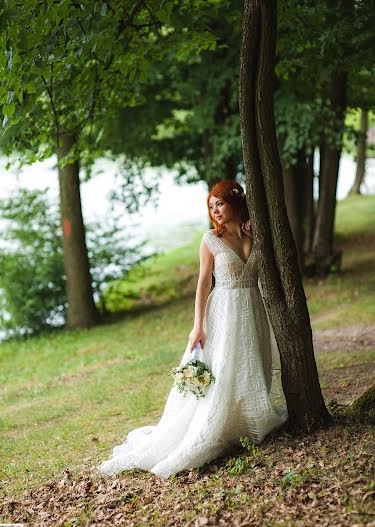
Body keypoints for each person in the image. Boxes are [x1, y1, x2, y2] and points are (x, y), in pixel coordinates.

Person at [97, 179, 288, 480]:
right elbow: (203, 283)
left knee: (252, 363)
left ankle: (251, 419)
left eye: (220, 204)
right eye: (211, 207)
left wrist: (256, 233)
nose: (215, 211)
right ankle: (218, 426)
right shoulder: (210, 240)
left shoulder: (256, 235)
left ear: (235, 203)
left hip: (253, 309)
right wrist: (197, 326)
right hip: (223, 311)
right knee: (223, 368)